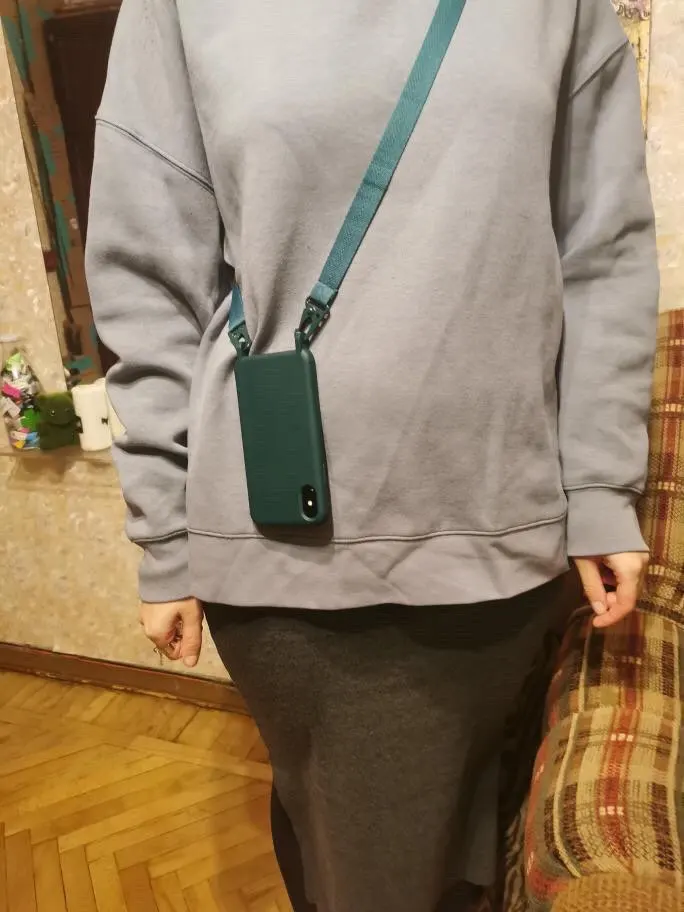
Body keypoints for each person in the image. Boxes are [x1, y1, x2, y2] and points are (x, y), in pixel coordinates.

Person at [86, 1, 658, 910]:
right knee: (363, 856)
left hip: (504, 533)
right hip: (284, 560)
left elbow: (602, 253)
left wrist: (598, 484)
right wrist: (163, 534)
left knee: (438, 847)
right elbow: (147, 280)